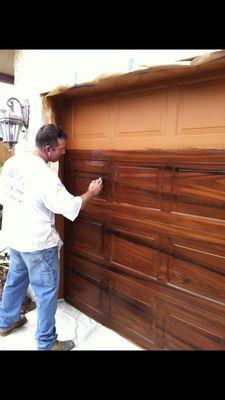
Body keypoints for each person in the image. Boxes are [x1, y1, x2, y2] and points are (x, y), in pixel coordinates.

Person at [0, 124, 103, 350]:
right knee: (46, 294)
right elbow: (69, 206)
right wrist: (92, 193)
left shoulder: (12, 163)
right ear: (48, 148)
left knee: (15, 282)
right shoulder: (45, 177)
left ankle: (5, 322)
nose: (64, 152)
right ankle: (47, 343)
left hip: (16, 238)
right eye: (61, 149)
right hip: (38, 245)